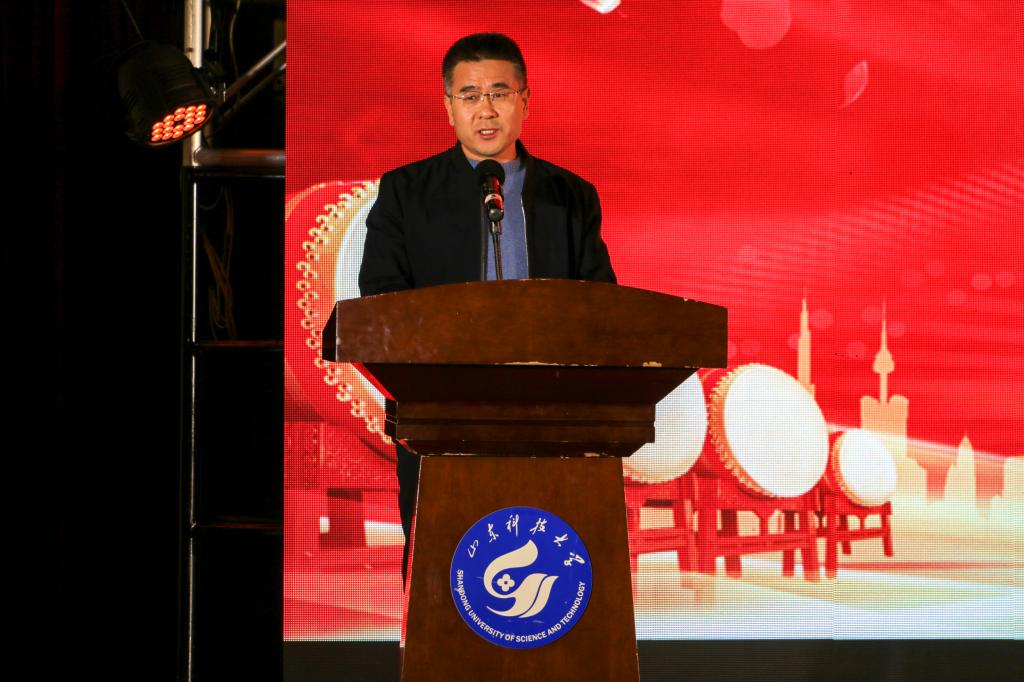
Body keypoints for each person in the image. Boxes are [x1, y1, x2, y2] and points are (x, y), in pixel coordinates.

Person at [358, 32, 616, 583]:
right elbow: (380, 298)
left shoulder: (571, 196)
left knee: (550, 564)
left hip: (550, 420)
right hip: (438, 416)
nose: (486, 109)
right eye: (470, 95)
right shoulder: (406, 192)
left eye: (499, 93)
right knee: (442, 570)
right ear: (448, 106)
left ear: (525, 101)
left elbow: (601, 305)